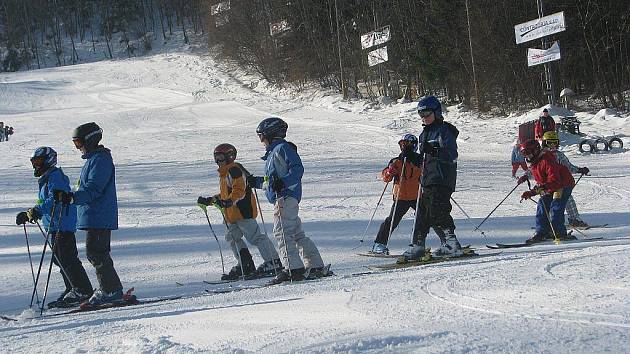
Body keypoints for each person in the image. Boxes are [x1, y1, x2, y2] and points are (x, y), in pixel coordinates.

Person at [247, 117, 327, 283]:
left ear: (270, 134)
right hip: (284, 197)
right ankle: (315, 265)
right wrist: (255, 182)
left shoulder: (282, 148)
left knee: (281, 232)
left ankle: (293, 269)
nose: (261, 140)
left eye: (261, 136)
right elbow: (272, 182)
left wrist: (283, 182)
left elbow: (297, 169)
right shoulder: (273, 154)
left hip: (286, 197)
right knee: (296, 233)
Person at [53, 122, 124, 307]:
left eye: (79, 142)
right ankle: (110, 288)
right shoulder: (93, 160)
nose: (78, 147)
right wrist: (70, 196)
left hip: (99, 215)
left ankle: (111, 289)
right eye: (75, 143)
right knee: (95, 253)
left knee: (97, 253)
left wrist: (72, 198)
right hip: (93, 215)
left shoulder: (101, 160)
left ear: (90, 140)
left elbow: (94, 189)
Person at [16, 147, 93, 307]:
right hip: (54, 224)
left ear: (48, 160)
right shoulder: (47, 178)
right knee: (60, 259)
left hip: (62, 223)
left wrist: (36, 211)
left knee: (67, 258)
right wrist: (33, 212)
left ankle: (83, 290)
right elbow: (47, 201)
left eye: (38, 162)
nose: (36, 166)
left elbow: (55, 200)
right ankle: (72, 287)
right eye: (33, 162)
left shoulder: (55, 177)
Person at [197, 143, 283, 280]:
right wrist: (211, 200)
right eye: (216, 158)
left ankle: (273, 262)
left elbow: (239, 190)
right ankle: (245, 264)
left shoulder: (235, 170)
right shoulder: (225, 173)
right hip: (230, 213)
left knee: (255, 237)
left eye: (220, 158)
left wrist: (229, 201)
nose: (218, 162)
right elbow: (226, 194)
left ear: (230, 157)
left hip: (243, 211)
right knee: (232, 238)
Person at [402, 95, 463, 260]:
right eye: (421, 115)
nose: (424, 118)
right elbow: (422, 159)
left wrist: (436, 150)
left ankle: (452, 244)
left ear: (436, 112)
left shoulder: (445, 130)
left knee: (438, 210)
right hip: (428, 179)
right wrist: (409, 155)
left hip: (442, 178)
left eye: (427, 114)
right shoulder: (423, 135)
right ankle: (417, 246)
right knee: (422, 213)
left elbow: (452, 155)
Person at [371, 134, 423, 255]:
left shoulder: (420, 160)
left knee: (425, 219)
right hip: (401, 196)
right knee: (392, 221)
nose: (404, 147)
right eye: (402, 144)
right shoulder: (397, 161)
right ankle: (379, 244)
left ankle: (420, 244)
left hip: (418, 196)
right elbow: (386, 178)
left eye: (407, 144)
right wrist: (389, 172)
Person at [517, 139, 576, 244]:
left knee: (556, 207)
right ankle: (541, 232)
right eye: (524, 154)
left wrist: (536, 191)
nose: (526, 156)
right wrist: (532, 190)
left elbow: (555, 181)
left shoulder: (547, 160)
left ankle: (559, 233)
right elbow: (542, 181)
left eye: (527, 153)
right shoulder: (535, 162)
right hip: (549, 186)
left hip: (563, 184)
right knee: (542, 205)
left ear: (535, 151)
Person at [541, 131, 590, 227]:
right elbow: (533, 169)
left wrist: (579, 170)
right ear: (544, 143)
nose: (552, 146)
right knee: (548, 202)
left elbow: (569, 167)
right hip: (547, 184)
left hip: (560, 183)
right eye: (549, 143)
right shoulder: (541, 156)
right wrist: (526, 176)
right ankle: (550, 223)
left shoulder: (559, 155)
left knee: (568, 199)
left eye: (554, 143)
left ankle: (574, 219)